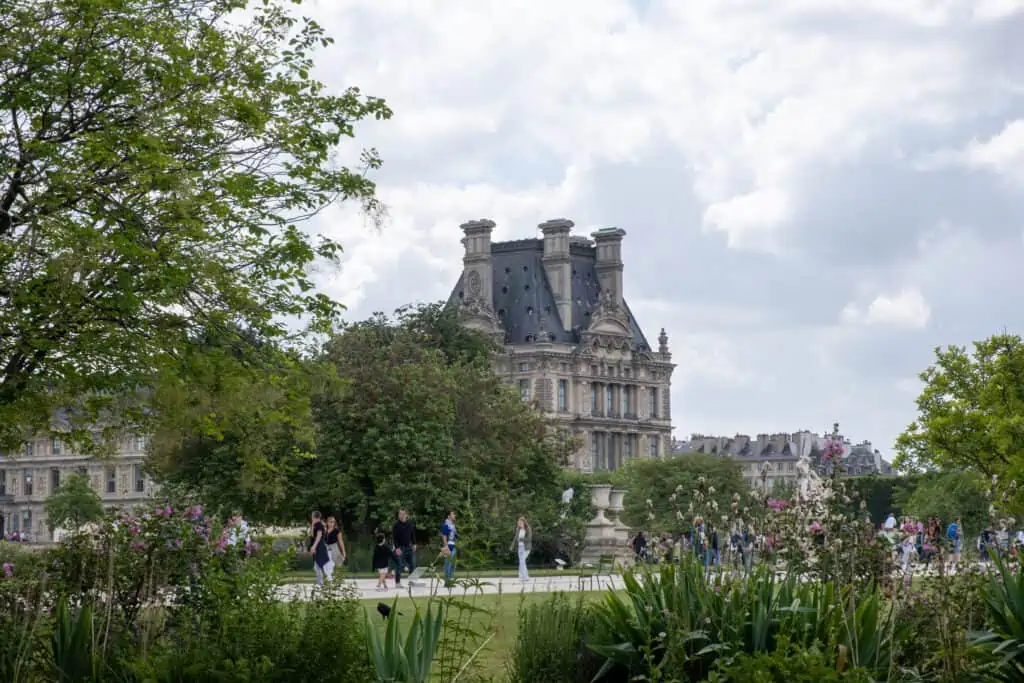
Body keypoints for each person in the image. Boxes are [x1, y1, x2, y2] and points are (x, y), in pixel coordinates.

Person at [392, 508, 416, 588]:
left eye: (403, 514)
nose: (401, 515)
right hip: (400, 548)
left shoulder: (409, 524)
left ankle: (411, 581)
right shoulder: (396, 525)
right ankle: (397, 583)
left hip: (408, 547)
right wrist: (397, 548)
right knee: (399, 565)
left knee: (412, 564)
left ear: (406, 515)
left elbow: (412, 534)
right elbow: (394, 538)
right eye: (400, 514)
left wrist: (414, 544)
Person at [308, 511, 333, 585]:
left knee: (319, 565)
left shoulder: (319, 525)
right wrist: (312, 525)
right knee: (317, 565)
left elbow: (319, 536)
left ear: (314, 516)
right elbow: (312, 535)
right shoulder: (316, 525)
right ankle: (321, 582)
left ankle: (322, 582)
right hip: (318, 547)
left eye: (312, 516)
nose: (311, 518)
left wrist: (314, 546)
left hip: (319, 547)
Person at [510, 516, 532, 581]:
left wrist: (521, 539)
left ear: (524, 522)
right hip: (520, 548)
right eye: (519, 523)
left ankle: (525, 577)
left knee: (522, 562)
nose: (520, 524)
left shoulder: (528, 529)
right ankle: (521, 576)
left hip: (526, 548)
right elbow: (515, 538)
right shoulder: (518, 529)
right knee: (521, 562)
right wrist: (512, 546)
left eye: (521, 523)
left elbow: (529, 539)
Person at [441, 509, 458, 581]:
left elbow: (455, 537)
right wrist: (446, 547)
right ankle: (447, 581)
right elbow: (444, 537)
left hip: (453, 546)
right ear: (448, 516)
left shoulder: (452, 525)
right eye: (453, 514)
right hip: (448, 546)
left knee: (453, 565)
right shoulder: (445, 525)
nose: (454, 515)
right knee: (448, 564)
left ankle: (450, 579)